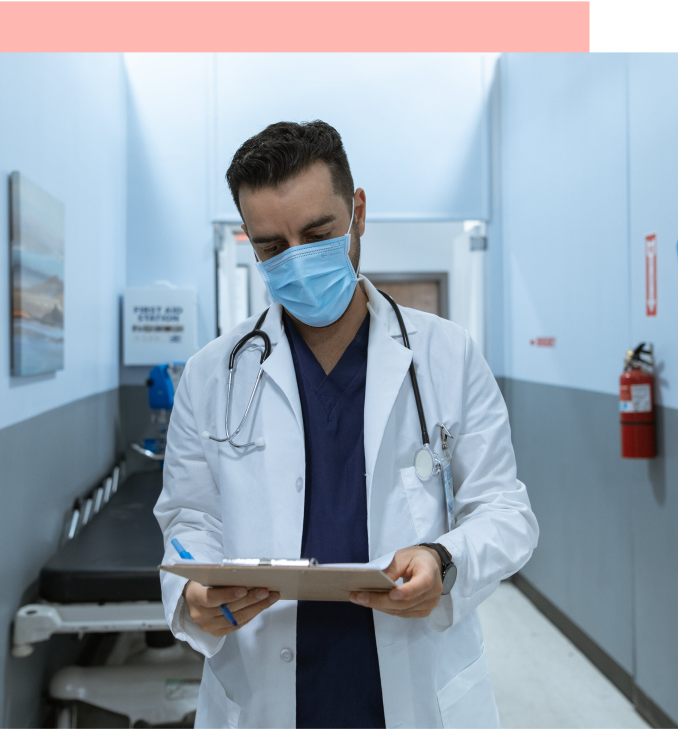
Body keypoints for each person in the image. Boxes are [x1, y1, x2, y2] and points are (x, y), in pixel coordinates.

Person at [154, 120, 539, 729]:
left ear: (357, 211)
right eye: (272, 248)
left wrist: (445, 558)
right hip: (264, 684)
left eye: (317, 234)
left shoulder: (446, 355)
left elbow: (506, 511)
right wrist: (192, 596)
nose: (299, 263)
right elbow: (189, 517)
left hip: (415, 680)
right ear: (247, 242)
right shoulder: (212, 375)